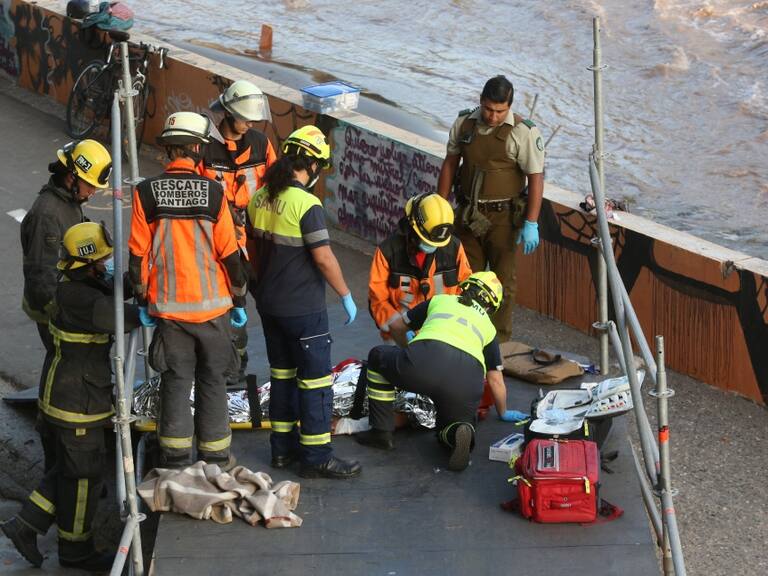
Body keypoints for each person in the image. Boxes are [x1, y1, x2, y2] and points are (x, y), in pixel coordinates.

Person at [2, 222, 139, 571]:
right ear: (87, 262)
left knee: (67, 470)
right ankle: (76, 550)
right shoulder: (83, 299)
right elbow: (123, 316)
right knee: (83, 477)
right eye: (104, 257)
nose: (108, 262)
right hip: (77, 402)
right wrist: (150, 308)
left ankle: (24, 526)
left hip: (63, 395)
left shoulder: (76, 286)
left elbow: (113, 286)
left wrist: (136, 277)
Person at [128, 111, 248, 470]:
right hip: (213, 313)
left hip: (170, 313)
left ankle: (176, 461)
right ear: (198, 148)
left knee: (176, 383)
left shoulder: (145, 192)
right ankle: (216, 459)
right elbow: (229, 255)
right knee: (213, 380)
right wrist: (239, 300)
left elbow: (137, 255)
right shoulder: (214, 192)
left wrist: (144, 298)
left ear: (169, 149)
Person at [245, 125, 361, 480]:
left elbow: (250, 253)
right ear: (310, 165)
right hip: (303, 311)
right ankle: (316, 457)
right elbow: (324, 259)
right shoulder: (306, 204)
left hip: (268, 306)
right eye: (320, 168)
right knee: (314, 383)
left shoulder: (259, 197)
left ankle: (281, 450)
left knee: (281, 376)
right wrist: (345, 295)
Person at [356, 271, 523, 471]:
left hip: (423, 362)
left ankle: (381, 432)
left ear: (465, 287)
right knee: (452, 422)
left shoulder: (441, 301)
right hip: (466, 383)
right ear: (491, 306)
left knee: (377, 356)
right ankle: (457, 432)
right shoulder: (488, 328)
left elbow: (396, 326)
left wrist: (406, 350)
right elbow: (496, 380)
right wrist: (503, 412)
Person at [436, 75, 545, 342]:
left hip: (503, 218)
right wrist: (440, 206)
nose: (493, 116)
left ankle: (498, 343)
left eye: (500, 111)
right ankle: (463, 336)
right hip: (467, 214)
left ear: (509, 106)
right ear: (480, 101)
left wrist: (531, 222)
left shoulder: (523, 132)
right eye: (488, 109)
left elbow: (536, 177)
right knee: (464, 278)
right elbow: (450, 164)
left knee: (502, 283)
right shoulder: (465, 124)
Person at [202, 79, 277, 384]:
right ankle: (233, 371)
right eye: (246, 118)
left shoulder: (261, 144)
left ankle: (277, 368)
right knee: (233, 311)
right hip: (220, 248)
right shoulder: (206, 147)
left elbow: (275, 188)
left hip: (256, 244)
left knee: (272, 306)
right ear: (230, 114)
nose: (250, 124)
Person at [21, 139, 112, 355]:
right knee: (64, 361)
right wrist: (64, 314)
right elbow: (42, 277)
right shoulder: (47, 215)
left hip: (67, 295)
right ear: (72, 176)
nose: (92, 193)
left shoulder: (69, 203)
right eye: (90, 186)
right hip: (53, 308)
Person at [368, 192, 472, 343]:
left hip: (444, 334)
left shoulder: (453, 248)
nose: (432, 247)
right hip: (400, 337)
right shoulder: (388, 252)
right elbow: (377, 300)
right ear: (412, 227)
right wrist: (399, 326)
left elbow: (465, 287)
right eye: (428, 241)